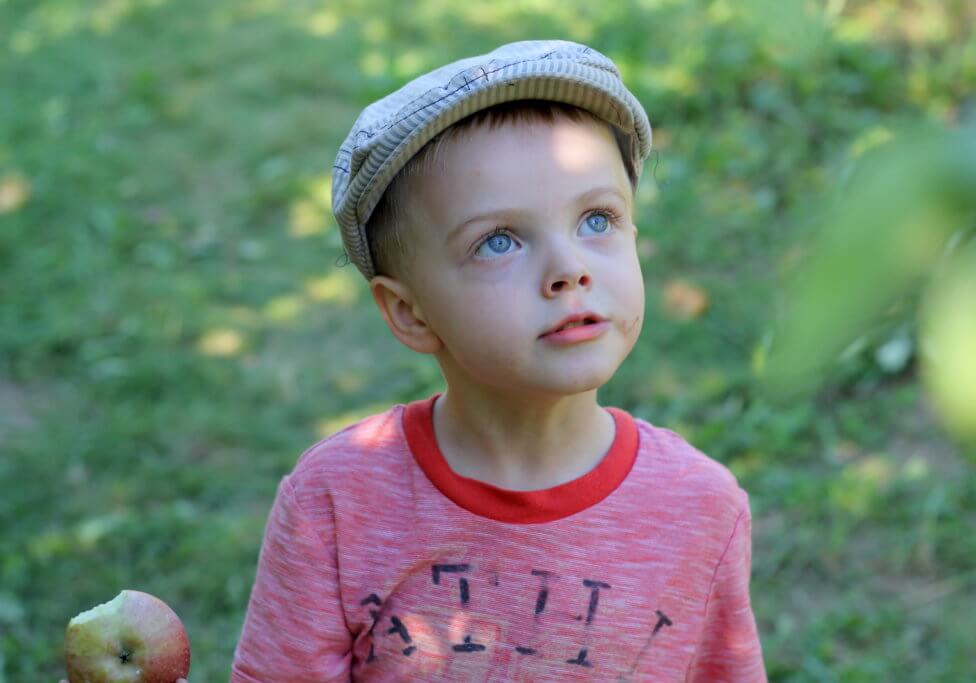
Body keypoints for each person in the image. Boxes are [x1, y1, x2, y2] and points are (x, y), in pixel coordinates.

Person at [230, 40, 766, 681]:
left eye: (597, 219)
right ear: (410, 313)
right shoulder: (336, 504)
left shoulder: (701, 508)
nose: (569, 269)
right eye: (499, 241)